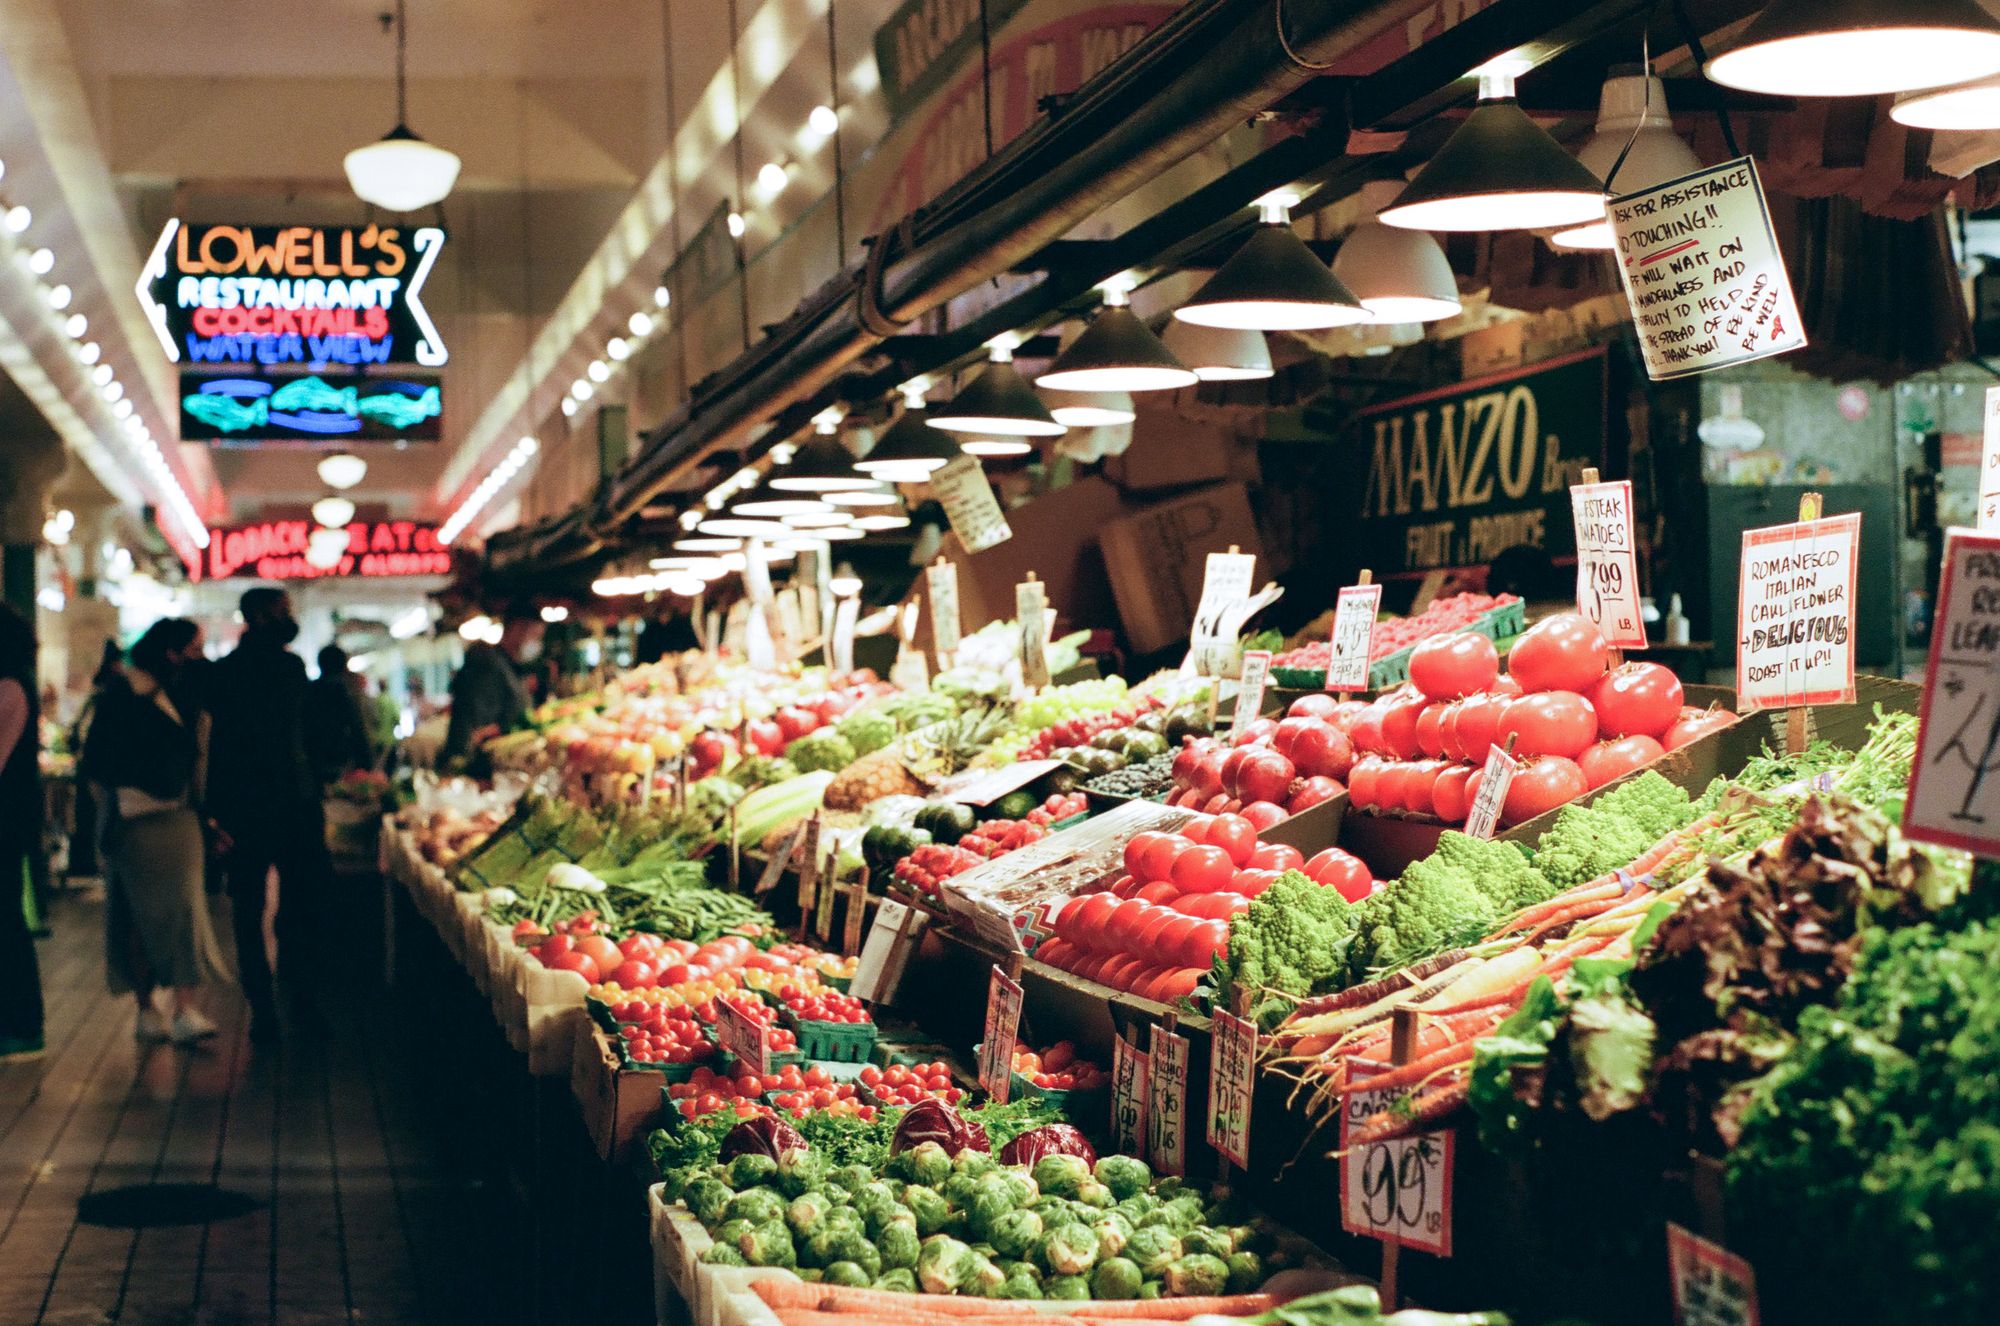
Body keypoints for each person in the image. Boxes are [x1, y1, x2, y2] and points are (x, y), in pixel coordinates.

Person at [84, 619, 233, 1045]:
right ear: (173, 651)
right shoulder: (130, 694)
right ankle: (152, 1006)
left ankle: (174, 1007)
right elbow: (99, 761)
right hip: (143, 819)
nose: (200, 656)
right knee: (139, 913)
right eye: (195, 647)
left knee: (180, 912)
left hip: (170, 819)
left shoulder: (180, 693)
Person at [202, 587, 333, 1042]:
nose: (290, 618)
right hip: (294, 804)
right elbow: (308, 737)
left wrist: (214, 813)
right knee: (300, 906)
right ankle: (302, 1001)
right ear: (262, 616)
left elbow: (217, 749)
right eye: (284, 612)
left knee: (248, 910)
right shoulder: (291, 669)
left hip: (244, 807)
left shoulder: (225, 674)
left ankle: (262, 1009)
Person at [0, 603, 46, 1060]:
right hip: (12, 818)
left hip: (5, 820)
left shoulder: (10, 689)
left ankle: (22, 1025)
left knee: (6, 921)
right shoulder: (16, 685)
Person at [439, 606, 541, 766]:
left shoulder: (510, 666)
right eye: (535, 635)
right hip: (478, 765)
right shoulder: (488, 663)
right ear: (517, 629)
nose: (537, 643)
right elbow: (477, 726)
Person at [66, 641, 128, 880]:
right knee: (96, 816)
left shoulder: (97, 693)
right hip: (97, 767)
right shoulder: (109, 695)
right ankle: (91, 862)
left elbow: (79, 730)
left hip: (89, 765)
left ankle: (85, 862)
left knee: (88, 817)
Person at [305, 644, 372, 783]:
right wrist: (366, 762)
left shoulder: (310, 690)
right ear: (344, 665)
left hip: (314, 759)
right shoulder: (345, 690)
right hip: (341, 759)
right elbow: (357, 726)